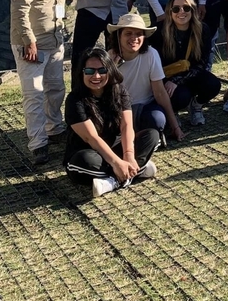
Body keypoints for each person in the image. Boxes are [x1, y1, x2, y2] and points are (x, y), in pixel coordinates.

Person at [10, 0, 76, 165]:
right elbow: (19, 9)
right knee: (34, 94)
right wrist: (29, 41)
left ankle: (55, 128)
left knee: (56, 88)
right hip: (32, 43)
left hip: (55, 38)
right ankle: (38, 143)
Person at [63, 48, 161, 198]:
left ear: (110, 70)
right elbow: (91, 138)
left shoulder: (119, 91)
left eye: (102, 70)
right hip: (90, 152)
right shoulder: (75, 100)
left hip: (116, 148)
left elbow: (126, 125)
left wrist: (128, 155)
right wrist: (116, 163)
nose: (96, 76)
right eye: (89, 71)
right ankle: (136, 171)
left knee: (152, 135)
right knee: (84, 161)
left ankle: (112, 181)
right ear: (81, 72)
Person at [107, 12, 186, 144]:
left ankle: (149, 135)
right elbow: (103, 92)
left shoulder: (150, 54)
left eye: (138, 34)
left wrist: (175, 126)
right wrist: (112, 69)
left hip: (145, 106)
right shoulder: (109, 57)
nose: (134, 38)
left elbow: (160, 92)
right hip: (120, 109)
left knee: (157, 119)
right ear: (118, 36)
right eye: (128, 33)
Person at [148, 0, 222, 126]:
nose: (181, 12)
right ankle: (172, 111)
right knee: (182, 96)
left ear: (192, 10)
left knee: (213, 84)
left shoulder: (202, 30)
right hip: (166, 77)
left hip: (190, 74)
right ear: (170, 11)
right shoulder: (160, 31)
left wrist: (177, 80)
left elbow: (202, 63)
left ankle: (196, 106)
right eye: (176, 8)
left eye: (186, 8)